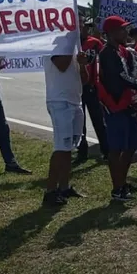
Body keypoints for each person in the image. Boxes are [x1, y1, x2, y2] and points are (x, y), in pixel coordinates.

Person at [97, 15, 137, 201]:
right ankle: (117, 189)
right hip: (116, 106)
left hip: (128, 104)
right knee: (116, 150)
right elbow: (123, 78)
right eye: (123, 29)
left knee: (131, 146)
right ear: (112, 33)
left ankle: (122, 183)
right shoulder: (108, 53)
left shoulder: (121, 51)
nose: (126, 32)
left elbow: (135, 70)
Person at [43, 49, 89, 206]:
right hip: (59, 102)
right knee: (61, 147)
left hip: (76, 101)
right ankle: (50, 192)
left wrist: (83, 65)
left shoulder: (74, 46)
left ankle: (64, 187)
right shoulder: (54, 44)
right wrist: (70, 45)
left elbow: (85, 79)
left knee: (69, 147)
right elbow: (61, 66)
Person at [78, 24, 109, 161]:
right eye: (82, 26)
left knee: (99, 121)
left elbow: (103, 61)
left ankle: (106, 150)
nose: (85, 29)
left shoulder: (95, 43)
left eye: (86, 26)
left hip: (91, 87)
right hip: (75, 88)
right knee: (80, 122)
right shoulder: (70, 44)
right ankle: (82, 151)